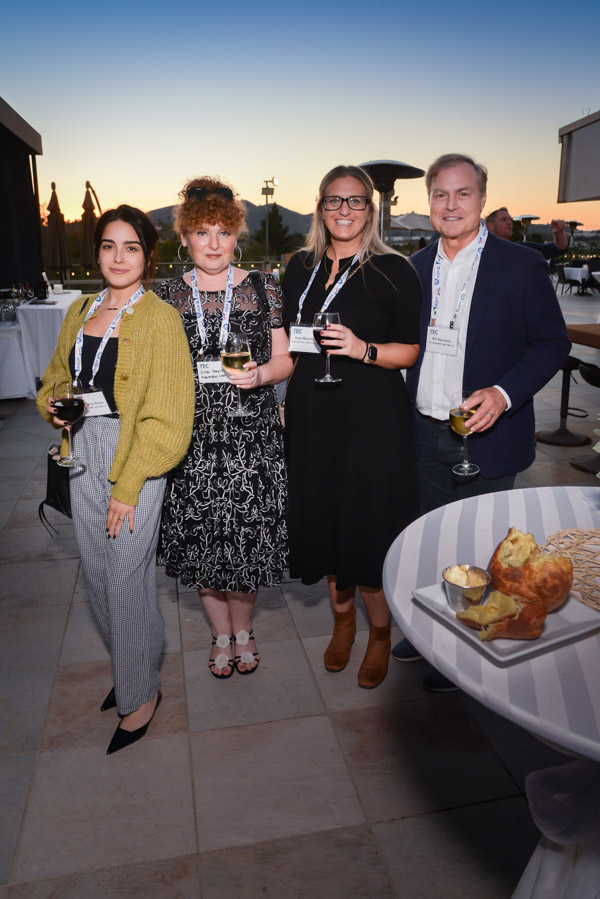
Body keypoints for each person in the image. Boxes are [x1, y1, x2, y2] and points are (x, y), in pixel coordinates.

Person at [391, 154, 571, 688]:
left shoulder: (519, 265)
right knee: (433, 537)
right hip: (425, 432)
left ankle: (472, 640)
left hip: (487, 432)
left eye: (463, 193)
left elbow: (552, 342)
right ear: (429, 202)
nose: (451, 205)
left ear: (482, 200)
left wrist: (504, 392)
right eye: (441, 195)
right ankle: (434, 632)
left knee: (484, 545)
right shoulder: (413, 267)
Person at [37, 205, 195, 752]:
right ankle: (135, 667)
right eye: (109, 246)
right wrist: (53, 405)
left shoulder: (160, 319)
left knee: (127, 578)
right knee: (100, 577)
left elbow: (169, 418)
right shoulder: (80, 309)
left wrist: (128, 488)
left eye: (131, 247)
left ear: (148, 256)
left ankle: (140, 693)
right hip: (82, 450)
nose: (119, 257)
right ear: (97, 253)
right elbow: (57, 376)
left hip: (138, 456)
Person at [282, 164, 422, 689]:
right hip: (313, 414)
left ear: (371, 208)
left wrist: (363, 349)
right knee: (327, 520)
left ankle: (380, 633)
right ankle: (343, 624)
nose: (344, 210)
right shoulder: (299, 266)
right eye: (334, 201)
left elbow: (409, 351)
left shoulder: (393, 270)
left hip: (371, 417)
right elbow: (290, 342)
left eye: (355, 200)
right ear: (321, 208)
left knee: (367, 526)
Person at [153, 177, 292, 678]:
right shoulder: (165, 296)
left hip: (252, 438)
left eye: (223, 232)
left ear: (237, 237)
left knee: (246, 542)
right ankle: (219, 633)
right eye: (202, 232)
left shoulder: (263, 287)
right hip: (190, 441)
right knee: (203, 546)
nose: (213, 244)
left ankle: (244, 630)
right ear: (184, 238)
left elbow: (285, 360)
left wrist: (260, 376)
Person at [486, 207, 568, 260]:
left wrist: (558, 232)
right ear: (490, 226)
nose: (510, 223)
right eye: (504, 219)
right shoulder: (482, 253)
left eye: (510, 220)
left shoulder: (521, 249)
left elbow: (557, 249)